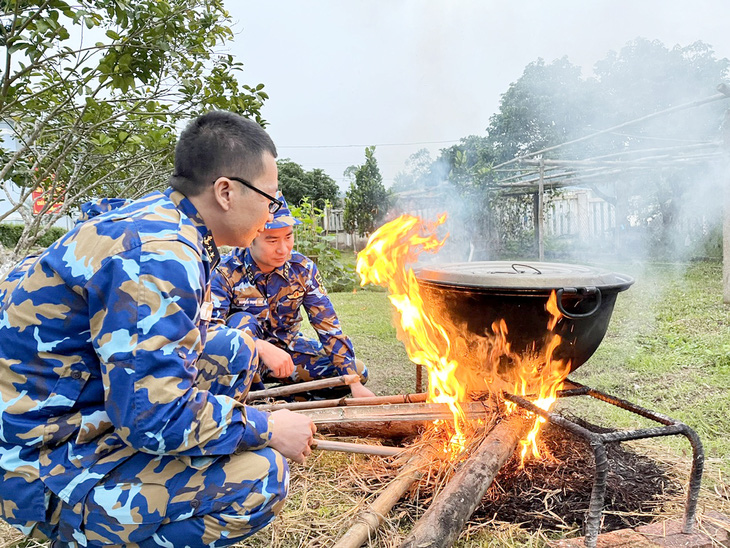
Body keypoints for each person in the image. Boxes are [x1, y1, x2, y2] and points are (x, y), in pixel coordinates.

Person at [0, 111, 316, 547]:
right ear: (225, 191)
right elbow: (152, 419)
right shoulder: (160, 256)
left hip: (68, 415)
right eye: (270, 197)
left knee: (233, 348)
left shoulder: (162, 221)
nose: (272, 212)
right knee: (262, 477)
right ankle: (82, 530)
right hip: (39, 466)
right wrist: (267, 428)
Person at [210, 194, 376, 399]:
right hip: (243, 360)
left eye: (288, 237)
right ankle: (252, 399)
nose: (283, 249)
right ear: (250, 238)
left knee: (356, 372)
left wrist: (353, 381)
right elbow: (210, 330)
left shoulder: (302, 269)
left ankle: (276, 401)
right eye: (272, 240)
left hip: (288, 354)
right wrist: (258, 346)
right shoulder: (225, 271)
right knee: (242, 322)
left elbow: (328, 326)